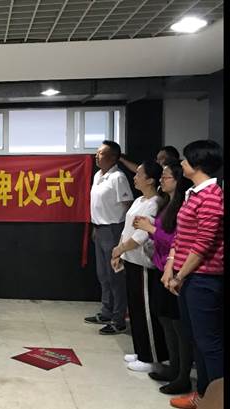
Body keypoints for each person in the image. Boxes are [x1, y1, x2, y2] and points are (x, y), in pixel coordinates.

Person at [165, 140, 223, 409]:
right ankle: (202, 395)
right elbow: (181, 236)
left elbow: (203, 244)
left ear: (198, 164)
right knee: (196, 339)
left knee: (209, 342)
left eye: (186, 160)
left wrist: (180, 275)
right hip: (188, 277)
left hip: (204, 279)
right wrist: (171, 266)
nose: (182, 163)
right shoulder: (193, 194)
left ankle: (216, 399)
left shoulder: (212, 196)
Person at [134, 159, 193, 393]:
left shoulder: (182, 206)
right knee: (165, 320)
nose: (162, 180)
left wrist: (151, 229)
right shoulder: (166, 204)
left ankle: (183, 375)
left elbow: (177, 241)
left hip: (177, 271)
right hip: (161, 268)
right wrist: (150, 229)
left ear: (178, 180)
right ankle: (173, 367)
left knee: (179, 326)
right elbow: (162, 236)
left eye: (166, 176)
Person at [111, 160, 167, 372]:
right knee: (135, 309)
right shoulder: (139, 200)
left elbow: (141, 236)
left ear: (150, 180)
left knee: (146, 311)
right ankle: (141, 350)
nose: (134, 177)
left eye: (139, 174)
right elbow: (127, 229)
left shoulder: (155, 203)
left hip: (143, 262)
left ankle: (151, 357)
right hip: (130, 259)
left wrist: (121, 249)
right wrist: (119, 251)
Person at [84, 140, 133, 335]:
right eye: (96, 153)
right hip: (100, 229)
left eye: (101, 153)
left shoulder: (118, 177)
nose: (97, 156)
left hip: (114, 230)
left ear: (113, 157)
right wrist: (95, 227)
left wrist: (124, 234)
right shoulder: (98, 175)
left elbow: (128, 205)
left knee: (116, 277)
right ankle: (106, 312)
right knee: (103, 275)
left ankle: (118, 319)